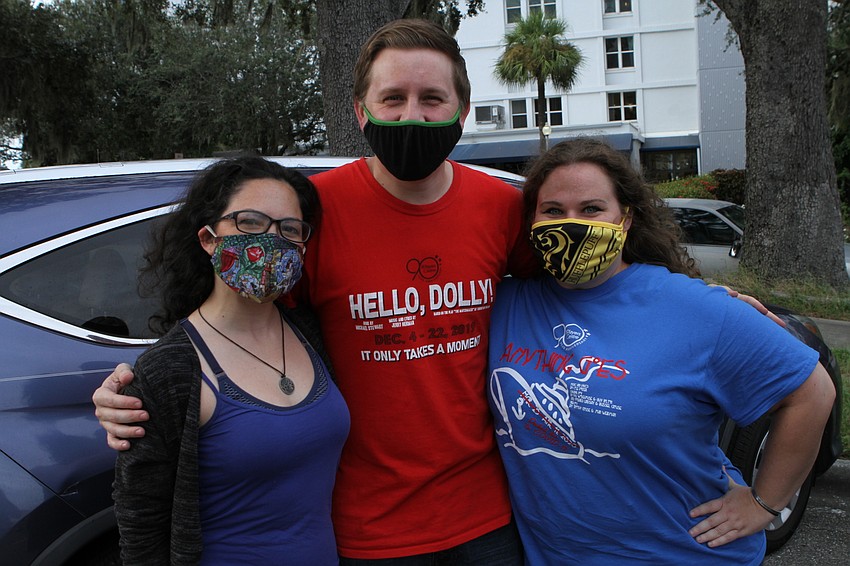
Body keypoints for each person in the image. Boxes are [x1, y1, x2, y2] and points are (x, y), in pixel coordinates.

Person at [94, 19, 778, 564]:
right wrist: (151, 378)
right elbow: (244, 317)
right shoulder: (314, 214)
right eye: (393, 98)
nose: (413, 115)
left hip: (491, 515)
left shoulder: (503, 208)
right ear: (361, 109)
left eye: (431, 99)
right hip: (367, 526)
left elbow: (586, 284)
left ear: (462, 109)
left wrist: (703, 305)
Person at [486, 138, 835, 565]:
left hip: (681, 553)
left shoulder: (694, 307)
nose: (571, 223)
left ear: (626, 218)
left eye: (592, 209)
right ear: (532, 221)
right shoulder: (505, 302)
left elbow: (813, 392)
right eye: (554, 211)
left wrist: (764, 504)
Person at [112, 156, 350, 565]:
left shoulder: (310, 332)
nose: (272, 240)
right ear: (208, 238)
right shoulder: (169, 370)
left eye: (289, 229)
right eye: (251, 222)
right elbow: (141, 524)